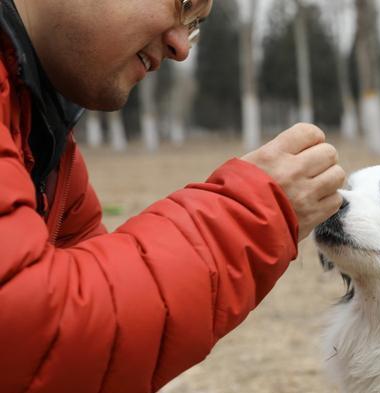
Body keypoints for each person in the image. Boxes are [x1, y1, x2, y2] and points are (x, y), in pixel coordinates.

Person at [0, 0, 345, 392]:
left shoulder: (39, 130)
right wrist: (250, 215)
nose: (182, 47)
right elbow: (32, 337)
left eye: (195, 25)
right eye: (182, 4)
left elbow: (100, 352)